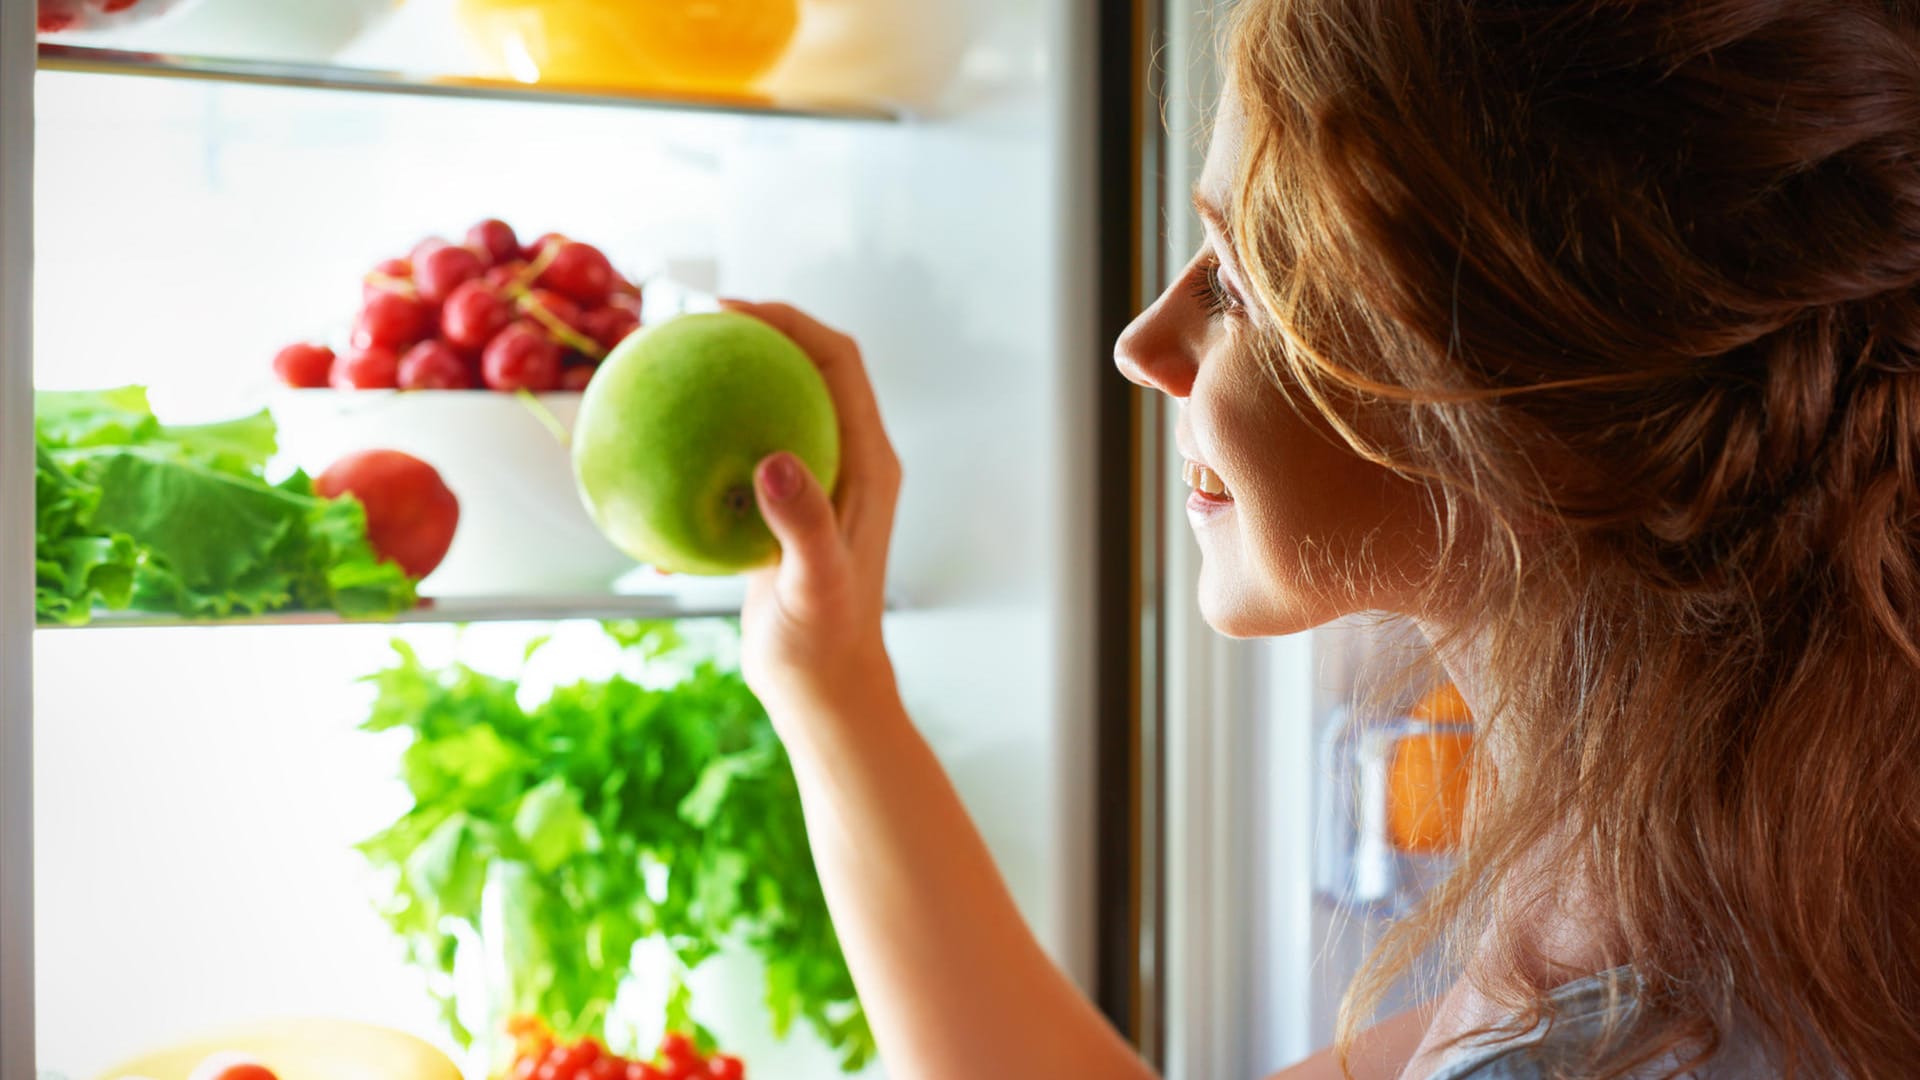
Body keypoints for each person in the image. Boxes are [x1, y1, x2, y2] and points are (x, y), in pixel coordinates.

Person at [720, 0, 1920, 1076]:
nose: (1145, 344)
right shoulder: (1708, 881)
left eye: (1237, 286)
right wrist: (833, 684)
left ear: (1514, 397)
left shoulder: (1620, 1023)